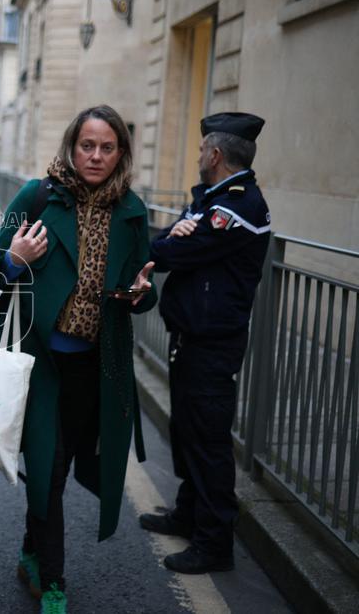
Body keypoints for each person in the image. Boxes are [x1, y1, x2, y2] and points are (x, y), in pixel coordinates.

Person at [0, 105, 156, 613]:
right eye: (87, 145)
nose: (95, 156)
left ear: (121, 152)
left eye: (107, 147)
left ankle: (31, 550)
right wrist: (16, 258)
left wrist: (140, 295)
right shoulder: (36, 197)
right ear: (71, 146)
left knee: (58, 472)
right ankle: (55, 583)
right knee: (47, 465)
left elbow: (141, 289)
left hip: (96, 369)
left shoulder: (132, 212)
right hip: (40, 365)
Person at [139, 112, 270, 575]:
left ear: (214, 155)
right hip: (192, 337)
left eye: (200, 151)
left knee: (209, 442)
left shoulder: (237, 205)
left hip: (213, 343)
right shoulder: (211, 198)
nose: (198, 156)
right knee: (189, 433)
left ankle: (215, 544)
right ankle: (189, 515)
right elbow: (175, 241)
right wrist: (174, 236)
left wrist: (170, 241)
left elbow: (173, 252)